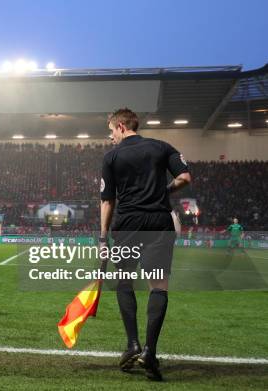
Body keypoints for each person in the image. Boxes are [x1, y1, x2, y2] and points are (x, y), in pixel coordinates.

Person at [100, 108, 191, 381]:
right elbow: (185, 177)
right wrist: (164, 191)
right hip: (159, 222)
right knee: (158, 286)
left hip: (128, 224)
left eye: (110, 131)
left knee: (125, 282)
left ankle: (132, 344)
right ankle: (150, 352)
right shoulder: (162, 147)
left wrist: (103, 238)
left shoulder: (112, 156)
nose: (110, 137)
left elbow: (107, 201)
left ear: (120, 126)